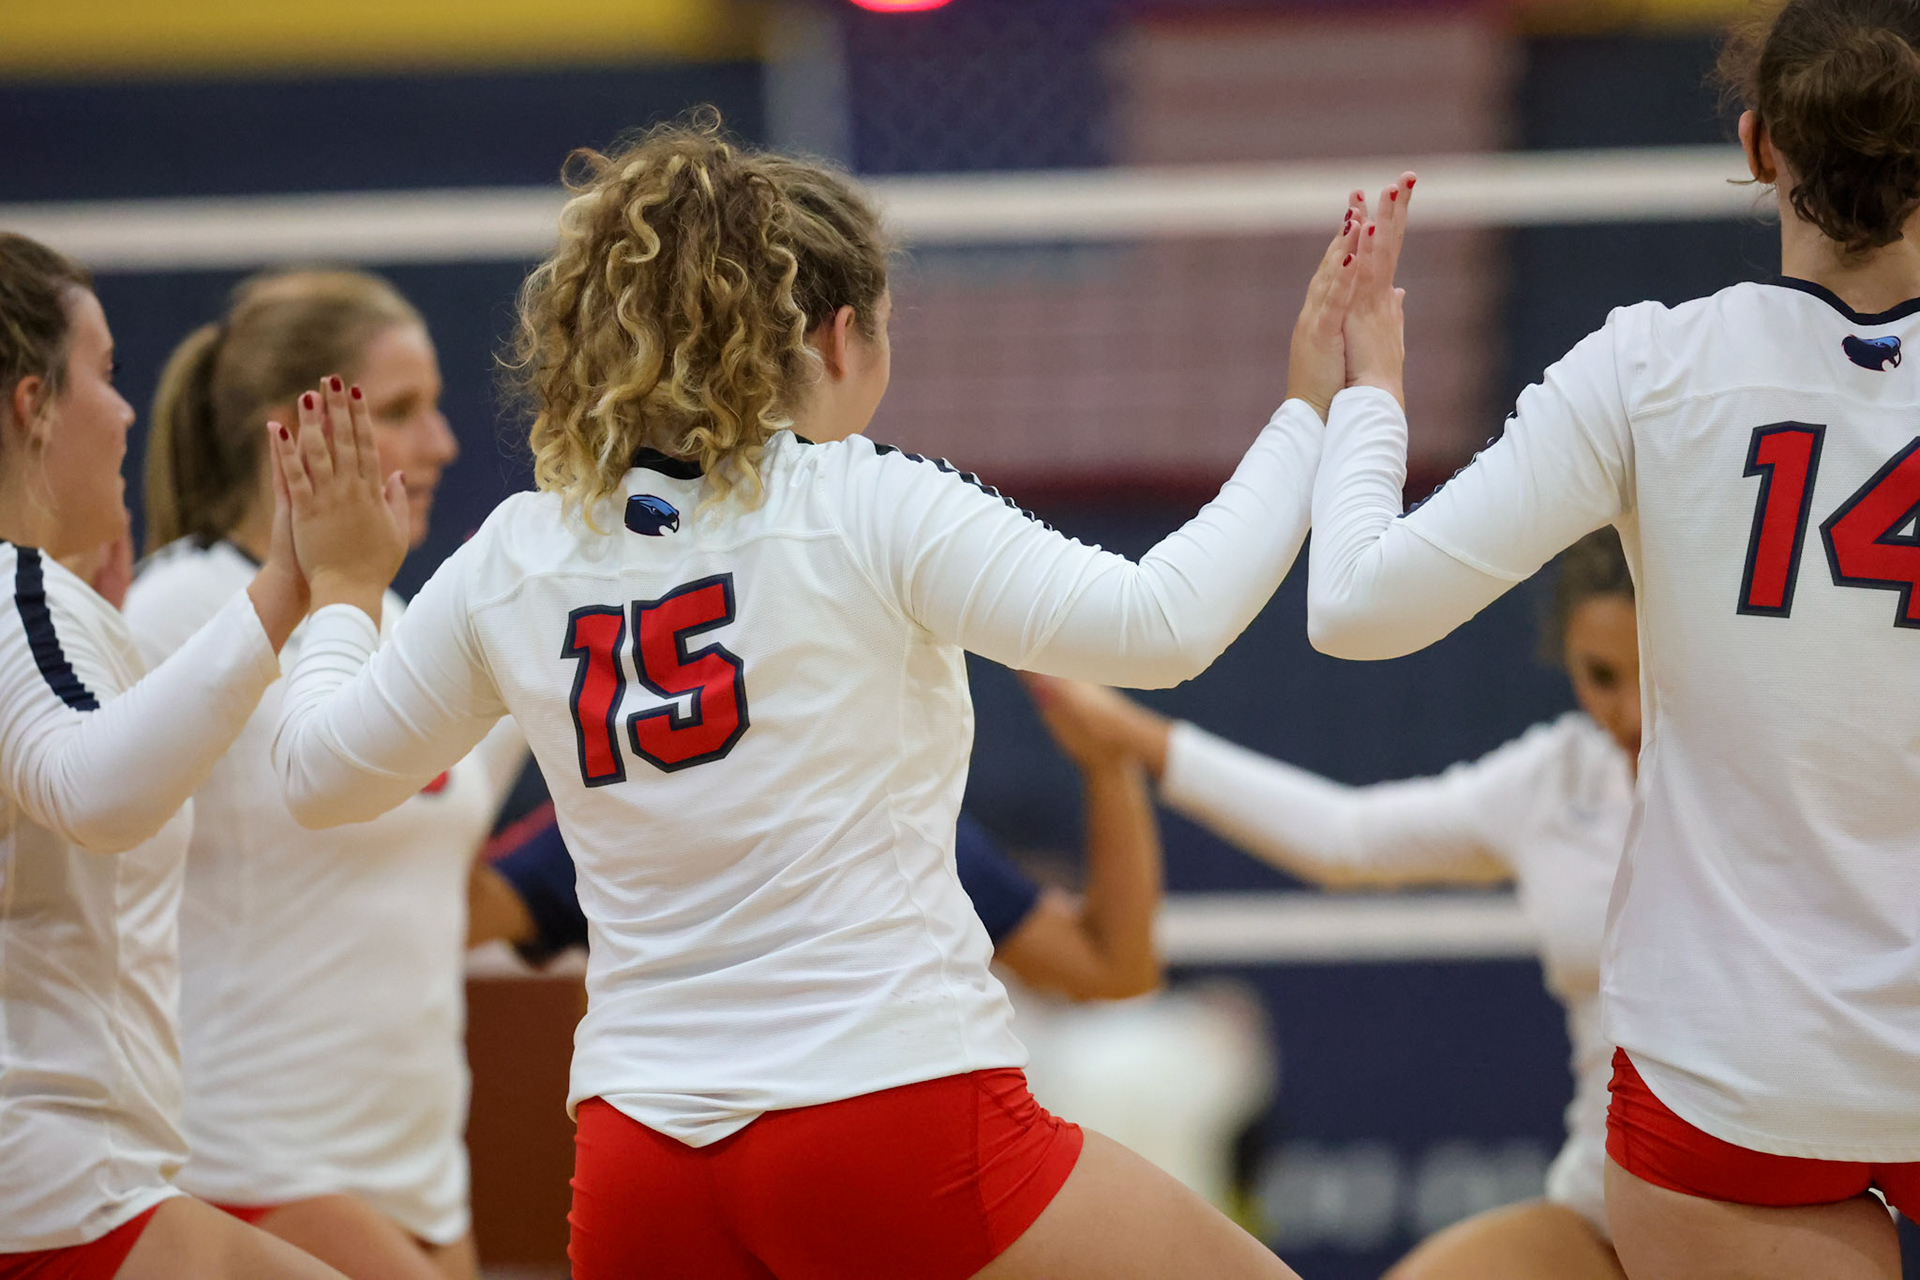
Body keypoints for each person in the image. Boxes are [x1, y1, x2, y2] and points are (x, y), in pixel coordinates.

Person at [265, 119, 1373, 1279]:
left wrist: (342, 593)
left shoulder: (516, 552)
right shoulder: (863, 500)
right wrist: (1307, 409)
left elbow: (316, 777)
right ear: (836, 335)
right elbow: (1167, 623)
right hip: (892, 1116)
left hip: (644, 1161)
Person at [1309, 4, 1920, 1275]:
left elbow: (1357, 607)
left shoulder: (1650, 366)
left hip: (1732, 1073)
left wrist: (1370, 394)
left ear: (1759, 146)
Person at [1034, 528, 1639, 1280]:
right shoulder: (1559, 776)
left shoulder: (1761, 778)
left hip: (1730, 1204)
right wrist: (1129, 735)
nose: (1630, 713)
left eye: (1652, 677)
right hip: (1600, 1204)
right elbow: (1347, 837)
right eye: (1601, 676)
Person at [124, 270, 527, 1280]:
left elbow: (448, 814)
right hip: (249, 1157)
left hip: (420, 1170)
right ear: (293, 435)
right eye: (399, 411)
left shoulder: (388, 620)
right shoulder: (184, 606)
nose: (440, 442)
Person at [0, 232, 348, 1279]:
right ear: (32, 404)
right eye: (104, 374)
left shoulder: (45, 606)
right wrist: (286, 587)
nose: (124, 411)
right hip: (56, 1189)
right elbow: (94, 793)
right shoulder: (17, 592)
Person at [475, 672, 1164, 1001]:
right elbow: (450, 916)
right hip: (696, 1158)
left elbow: (1113, 967)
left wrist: (1108, 763)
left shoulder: (892, 825)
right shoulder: (622, 824)